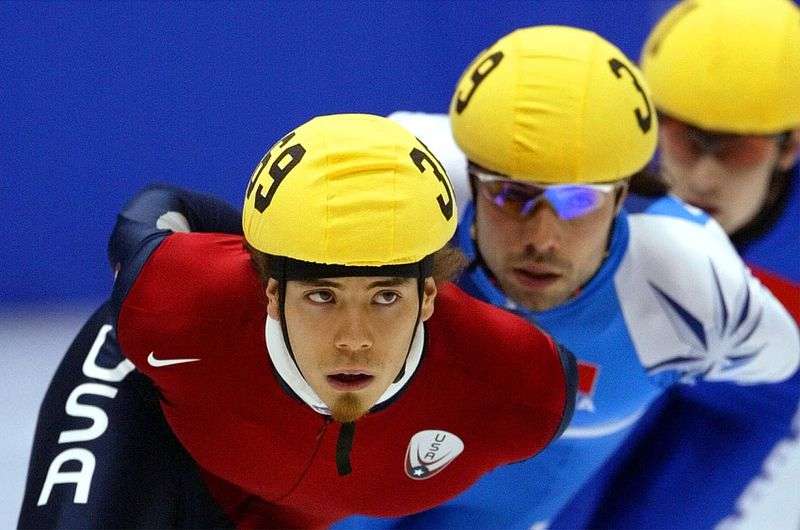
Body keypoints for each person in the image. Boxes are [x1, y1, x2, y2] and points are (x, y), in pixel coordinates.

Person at [333, 25, 800, 530]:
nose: (542, 237)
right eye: (513, 195)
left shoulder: (703, 287)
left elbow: (774, 367)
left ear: (622, 195)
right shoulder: (403, 171)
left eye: (578, 200)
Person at [18, 113, 577, 528]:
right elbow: (158, 209)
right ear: (269, 292)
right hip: (151, 429)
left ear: (429, 297)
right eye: (321, 296)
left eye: (385, 297)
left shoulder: (520, 387)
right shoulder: (175, 304)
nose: (353, 340)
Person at [570, 1, 800, 528]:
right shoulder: (598, 194)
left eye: (738, 151)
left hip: (743, 406)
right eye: (682, 138)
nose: (703, 174)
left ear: (790, 147)